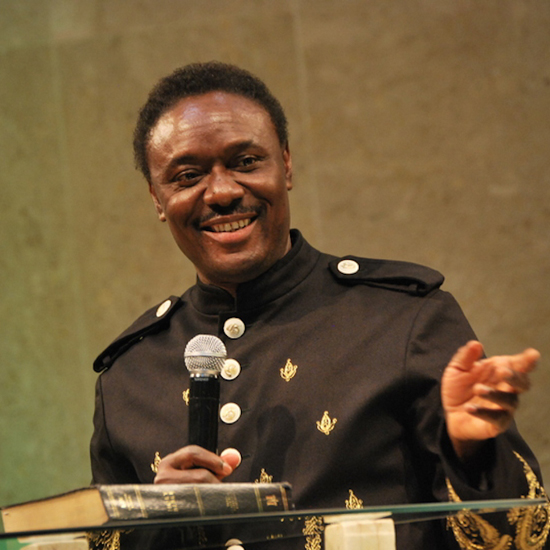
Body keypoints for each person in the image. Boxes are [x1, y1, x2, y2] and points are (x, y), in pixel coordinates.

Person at [90, 61, 548, 550]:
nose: (222, 192)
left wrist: (473, 454)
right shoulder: (127, 379)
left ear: (286, 165)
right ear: (157, 198)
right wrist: (157, 530)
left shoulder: (403, 320)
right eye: (187, 176)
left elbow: (523, 542)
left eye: (246, 162)